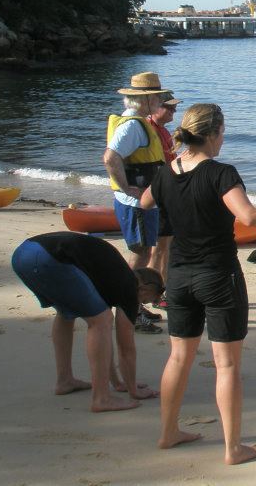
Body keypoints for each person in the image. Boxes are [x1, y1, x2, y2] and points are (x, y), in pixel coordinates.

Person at [141, 103, 256, 465]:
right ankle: (232, 448)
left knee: (179, 356)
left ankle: (168, 433)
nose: (224, 139)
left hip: (179, 276)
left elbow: (146, 200)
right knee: (226, 366)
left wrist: (173, 176)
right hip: (217, 275)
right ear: (211, 134)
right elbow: (249, 216)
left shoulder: (167, 172)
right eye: (223, 133)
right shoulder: (220, 173)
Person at [10, 232, 162, 412]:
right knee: (102, 320)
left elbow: (107, 342)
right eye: (146, 301)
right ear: (144, 288)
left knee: (67, 313)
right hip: (47, 258)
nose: (142, 305)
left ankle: (64, 380)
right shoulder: (129, 286)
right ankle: (101, 399)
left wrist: (119, 382)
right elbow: (125, 347)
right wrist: (133, 389)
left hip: (23, 254)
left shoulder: (110, 279)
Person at [103, 71, 172, 332]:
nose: (160, 101)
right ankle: (129, 309)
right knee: (140, 254)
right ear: (146, 100)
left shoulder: (135, 122)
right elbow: (110, 157)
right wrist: (126, 188)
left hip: (139, 203)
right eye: (157, 96)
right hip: (136, 204)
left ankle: (134, 306)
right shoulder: (133, 125)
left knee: (142, 252)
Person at [148, 93, 180, 300]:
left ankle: (164, 289)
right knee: (158, 248)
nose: (173, 112)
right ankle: (153, 291)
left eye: (174, 108)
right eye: (169, 108)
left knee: (165, 246)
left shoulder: (164, 131)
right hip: (158, 195)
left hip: (167, 193)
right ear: (156, 107)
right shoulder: (149, 130)